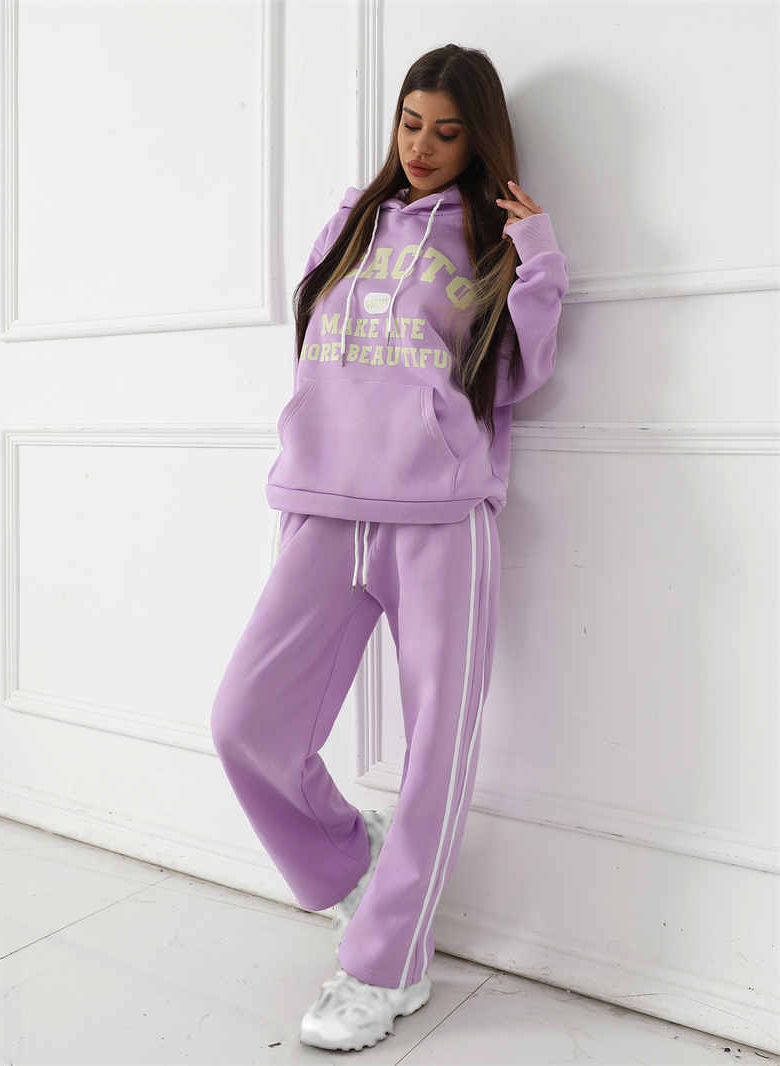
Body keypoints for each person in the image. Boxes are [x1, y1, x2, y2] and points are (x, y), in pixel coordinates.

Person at [210, 42, 570, 1053]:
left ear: (478, 140)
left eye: (447, 132)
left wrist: (538, 257)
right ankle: (342, 861)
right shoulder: (353, 222)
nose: (421, 146)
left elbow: (520, 373)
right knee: (245, 721)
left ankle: (386, 967)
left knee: (434, 751)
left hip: (440, 517)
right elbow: (317, 350)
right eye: (412, 123)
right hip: (324, 505)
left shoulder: (489, 241)